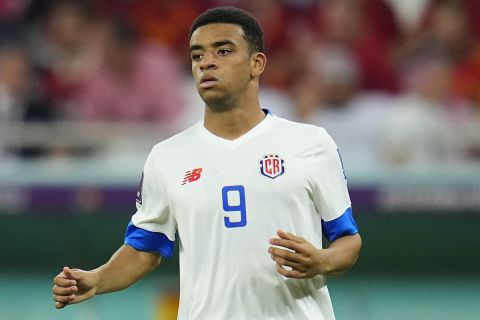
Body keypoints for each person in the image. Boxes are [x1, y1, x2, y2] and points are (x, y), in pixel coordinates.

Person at [52, 6, 362, 320]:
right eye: (197, 55)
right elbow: (144, 248)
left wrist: (322, 261)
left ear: (257, 63)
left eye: (223, 51)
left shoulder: (310, 144)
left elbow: (348, 239)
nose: (207, 62)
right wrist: (97, 279)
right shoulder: (167, 156)